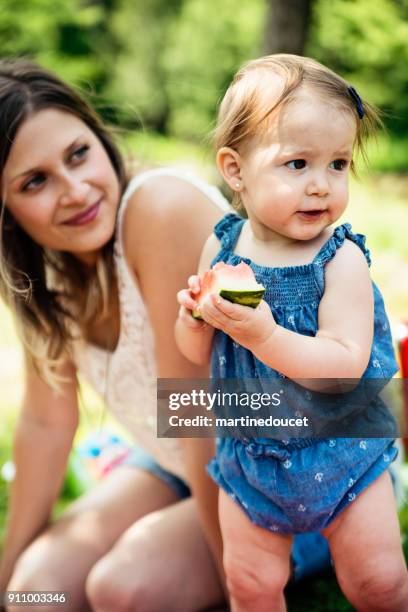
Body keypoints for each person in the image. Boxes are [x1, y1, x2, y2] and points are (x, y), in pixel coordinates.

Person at [176, 54, 408, 611]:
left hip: (344, 450)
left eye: (338, 164)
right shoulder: (222, 248)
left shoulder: (340, 258)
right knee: (251, 586)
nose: (321, 186)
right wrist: (192, 318)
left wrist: (262, 336)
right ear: (235, 170)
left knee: (378, 582)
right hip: (253, 452)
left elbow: (342, 365)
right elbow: (195, 352)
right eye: (298, 163)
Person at [0, 58, 230, 612]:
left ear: (99, 139)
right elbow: (44, 423)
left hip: (289, 461)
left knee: (125, 589)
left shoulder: (157, 210)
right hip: (175, 465)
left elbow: (197, 414)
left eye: (78, 154)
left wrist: (241, 584)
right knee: (34, 595)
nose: (76, 191)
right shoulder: (45, 270)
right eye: (36, 181)